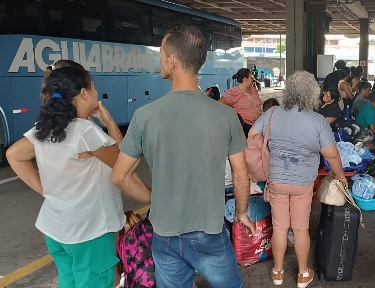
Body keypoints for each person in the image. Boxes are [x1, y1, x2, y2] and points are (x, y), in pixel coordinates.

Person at [112, 25, 254, 287]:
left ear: (172, 60)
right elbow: (240, 173)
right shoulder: (225, 116)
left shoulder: (145, 116)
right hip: (210, 232)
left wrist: (157, 197)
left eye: (162, 53)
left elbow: (120, 176)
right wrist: (241, 213)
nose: (160, 60)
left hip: (164, 232)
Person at [7, 62, 149, 288]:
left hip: (56, 230)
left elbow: (14, 155)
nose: (96, 93)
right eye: (93, 88)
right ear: (83, 93)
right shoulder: (84, 132)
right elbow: (123, 165)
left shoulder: (45, 128)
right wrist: (110, 122)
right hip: (89, 233)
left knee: (70, 282)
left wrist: (46, 190)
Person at [249, 71, 347, 288]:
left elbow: (252, 136)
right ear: (312, 94)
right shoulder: (317, 120)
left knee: (280, 227)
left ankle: (277, 272)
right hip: (303, 183)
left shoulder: (272, 113)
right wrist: (340, 177)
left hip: (276, 181)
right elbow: (331, 154)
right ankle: (303, 274)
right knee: (301, 228)